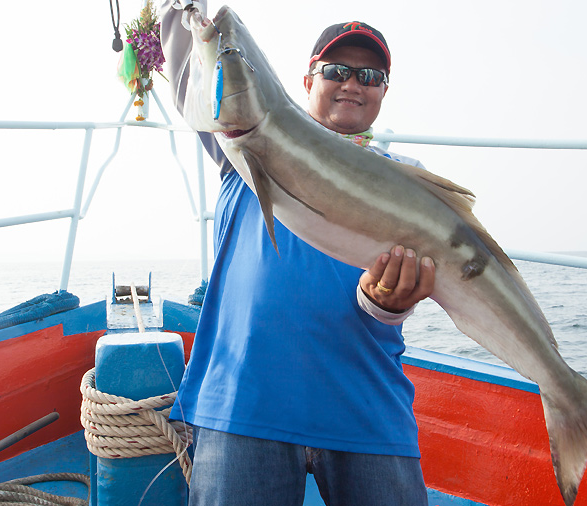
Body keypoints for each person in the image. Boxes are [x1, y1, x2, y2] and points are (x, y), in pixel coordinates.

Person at [161, 2, 435, 504]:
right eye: (336, 71)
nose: (352, 84)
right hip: (244, 404)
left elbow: (393, 301)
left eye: (369, 76)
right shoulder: (240, 145)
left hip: (366, 407)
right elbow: (185, 61)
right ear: (307, 80)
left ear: (383, 92)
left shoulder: (406, 181)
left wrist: (390, 302)